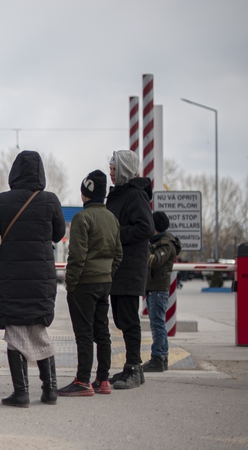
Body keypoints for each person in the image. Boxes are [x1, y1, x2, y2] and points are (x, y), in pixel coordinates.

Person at [0, 150, 66, 408]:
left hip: (12, 277)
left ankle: (22, 393)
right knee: (39, 329)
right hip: (42, 277)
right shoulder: (50, 200)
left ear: (14, 172)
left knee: (15, 331)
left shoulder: (1, 201)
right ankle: (50, 391)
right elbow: (58, 234)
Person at [58, 170, 123, 397]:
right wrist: (107, 274)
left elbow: (77, 255)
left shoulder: (82, 218)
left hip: (84, 285)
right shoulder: (112, 219)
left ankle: (82, 380)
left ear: (85, 192)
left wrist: (71, 283)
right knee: (102, 331)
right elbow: (119, 254)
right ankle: (102, 379)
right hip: (104, 283)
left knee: (84, 333)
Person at [106, 150, 155, 389]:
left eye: (114, 169)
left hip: (129, 267)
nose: (111, 173)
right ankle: (130, 368)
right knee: (121, 319)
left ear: (124, 169)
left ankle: (134, 367)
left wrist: (117, 235)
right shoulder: (117, 194)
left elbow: (146, 228)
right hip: (117, 267)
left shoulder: (135, 195)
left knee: (128, 319)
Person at [142, 211, 182, 373]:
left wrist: (143, 248)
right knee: (157, 323)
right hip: (153, 288)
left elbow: (155, 261)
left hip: (158, 289)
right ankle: (162, 356)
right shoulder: (158, 242)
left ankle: (158, 357)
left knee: (157, 324)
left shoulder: (166, 243)